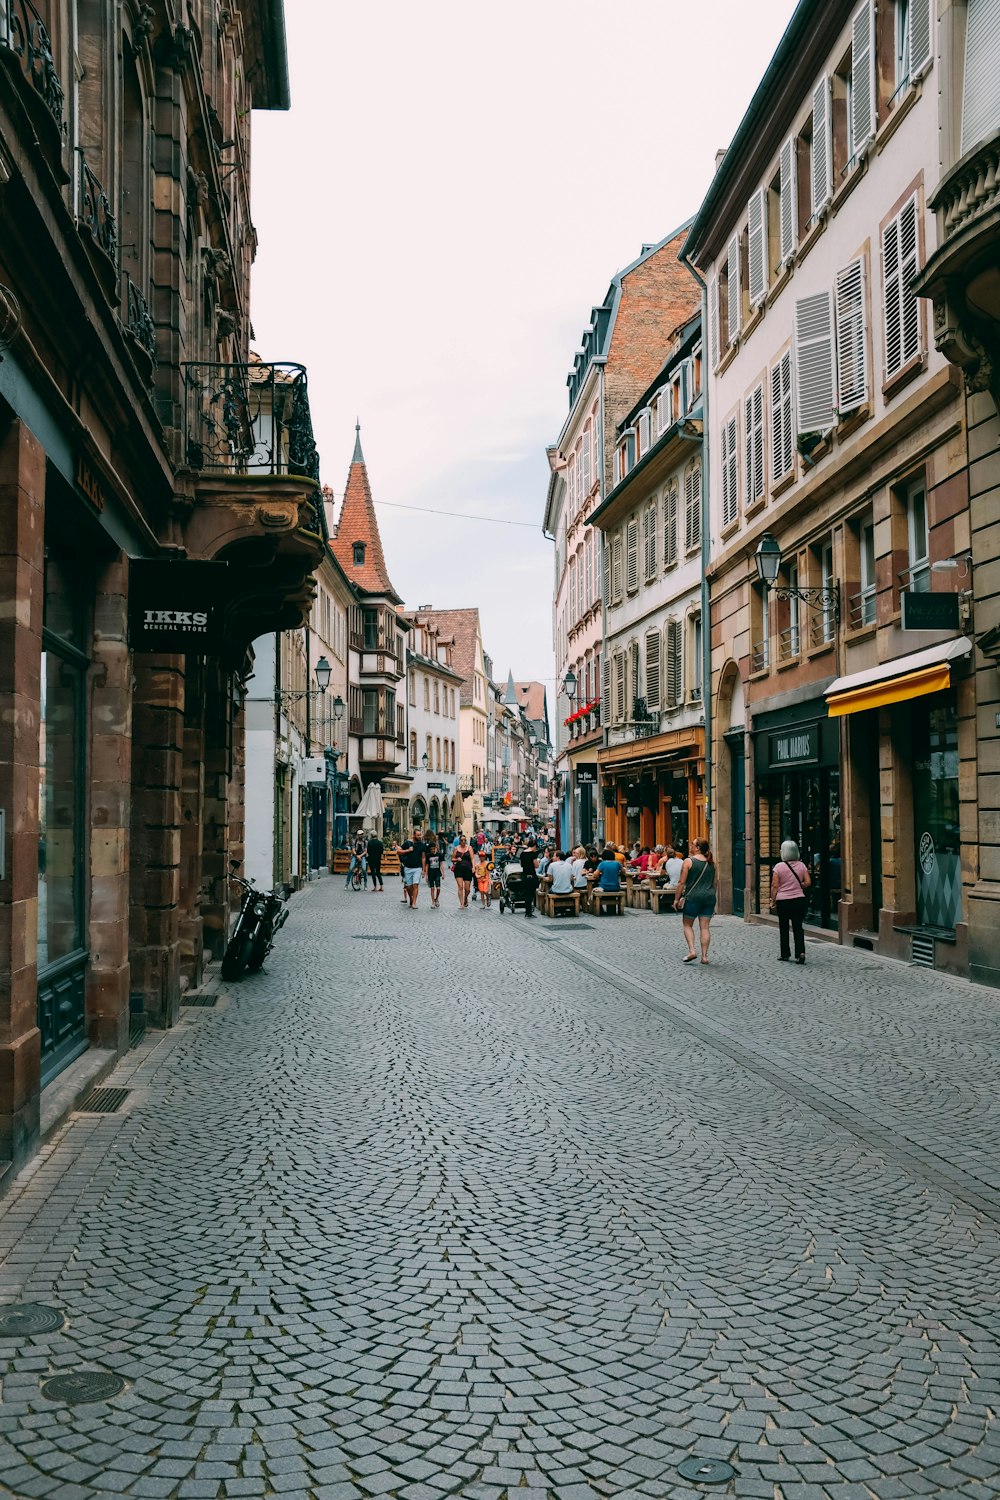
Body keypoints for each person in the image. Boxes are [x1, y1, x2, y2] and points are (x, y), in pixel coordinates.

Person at [675, 838, 717, 964]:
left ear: (698, 848)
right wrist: (712, 898)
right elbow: (715, 883)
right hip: (709, 897)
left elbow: (681, 882)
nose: (690, 846)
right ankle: (704, 957)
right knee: (705, 927)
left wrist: (676, 899)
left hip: (693, 897)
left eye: (692, 844)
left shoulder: (688, 861)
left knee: (687, 925)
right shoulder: (712, 863)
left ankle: (692, 951)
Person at [770, 839, 812, 963]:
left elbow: (775, 885)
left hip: (783, 901)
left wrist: (773, 900)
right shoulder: (801, 865)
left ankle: (785, 954)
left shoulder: (779, 866)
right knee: (798, 927)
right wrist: (800, 886)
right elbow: (808, 882)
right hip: (799, 900)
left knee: (784, 927)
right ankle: (800, 953)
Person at [399, 832, 425, 908]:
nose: (420, 836)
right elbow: (398, 852)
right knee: (408, 886)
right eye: (418, 835)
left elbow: (423, 857)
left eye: (421, 835)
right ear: (413, 835)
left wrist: (423, 870)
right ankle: (411, 898)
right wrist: (407, 850)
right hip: (408, 867)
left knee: (415, 885)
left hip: (418, 867)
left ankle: (414, 903)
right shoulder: (407, 843)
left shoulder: (422, 845)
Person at [452, 834, 474, 908]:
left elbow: (473, 858)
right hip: (458, 869)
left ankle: (465, 898)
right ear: (459, 841)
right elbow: (452, 859)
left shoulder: (469, 848)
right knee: (460, 886)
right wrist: (456, 859)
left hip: (468, 869)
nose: (463, 841)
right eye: (462, 840)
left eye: (465, 840)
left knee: (467, 889)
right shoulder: (456, 848)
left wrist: (473, 867)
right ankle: (461, 903)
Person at [519, 840, 540, 918]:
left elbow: (521, 864)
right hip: (531, 876)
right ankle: (528, 912)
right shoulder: (533, 854)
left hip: (524, 876)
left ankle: (527, 911)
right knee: (530, 895)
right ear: (534, 846)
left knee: (526, 894)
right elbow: (536, 865)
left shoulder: (522, 853)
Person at [424, 834, 443, 908]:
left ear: (435, 848)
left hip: (437, 873)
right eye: (431, 849)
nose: (432, 850)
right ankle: (432, 901)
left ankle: (436, 899)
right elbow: (427, 865)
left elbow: (441, 864)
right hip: (431, 873)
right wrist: (426, 875)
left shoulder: (439, 854)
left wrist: (443, 873)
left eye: (433, 849)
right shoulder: (428, 855)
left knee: (438, 888)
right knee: (432, 888)